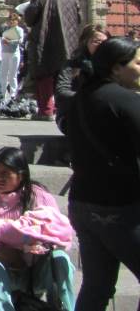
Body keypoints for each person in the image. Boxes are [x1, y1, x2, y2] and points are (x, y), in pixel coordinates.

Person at [66, 37, 140, 311]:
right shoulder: (125, 100)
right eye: (137, 62)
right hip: (121, 208)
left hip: (83, 204)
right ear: (116, 68)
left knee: (97, 285)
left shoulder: (80, 99)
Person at [0, 147, 75, 311]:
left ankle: (65, 306)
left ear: (20, 176)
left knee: (60, 258)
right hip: (1, 263)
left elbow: (58, 229)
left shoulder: (38, 195)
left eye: (6, 173)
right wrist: (1, 250)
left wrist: (40, 246)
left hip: (36, 267)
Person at [24, 0, 81, 121]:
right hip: (70, 41)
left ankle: (46, 110)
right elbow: (79, 17)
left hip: (45, 41)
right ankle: (62, 109)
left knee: (44, 75)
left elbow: (30, 18)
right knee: (63, 77)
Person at [54, 24, 108, 134]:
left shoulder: (113, 66)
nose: (101, 45)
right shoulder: (71, 65)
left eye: (105, 42)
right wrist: (90, 97)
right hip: (72, 115)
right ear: (85, 43)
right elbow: (61, 91)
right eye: (96, 41)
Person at [0, 14, 25, 100]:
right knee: (3, 74)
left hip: (14, 53)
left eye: (13, 20)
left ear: (17, 21)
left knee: (13, 75)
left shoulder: (19, 30)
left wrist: (10, 41)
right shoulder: (5, 28)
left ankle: (13, 94)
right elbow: (0, 38)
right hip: (5, 53)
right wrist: (3, 40)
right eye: (10, 20)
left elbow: (20, 40)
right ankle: (2, 94)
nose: (11, 22)